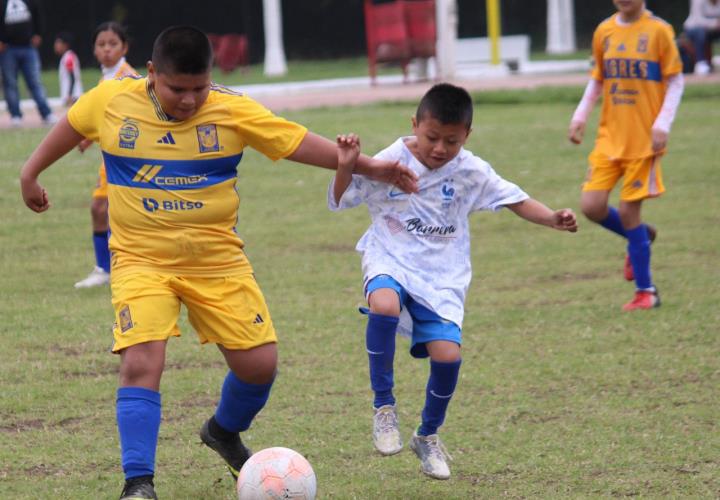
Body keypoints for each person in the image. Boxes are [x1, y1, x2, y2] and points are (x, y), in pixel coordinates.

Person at [20, 25, 417, 500]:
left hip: (217, 260)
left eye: (199, 88)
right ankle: (138, 484)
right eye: (177, 89)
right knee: (143, 360)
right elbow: (71, 125)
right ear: (151, 74)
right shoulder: (112, 99)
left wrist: (369, 165)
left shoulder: (231, 108)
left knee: (259, 365)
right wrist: (30, 172)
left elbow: (293, 142)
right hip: (140, 259)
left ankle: (223, 431)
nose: (189, 100)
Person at [328, 83, 578, 480]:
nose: (440, 149)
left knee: (448, 357)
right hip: (389, 255)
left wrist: (550, 217)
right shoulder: (392, 160)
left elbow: (513, 198)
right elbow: (341, 199)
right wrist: (346, 163)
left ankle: (427, 435)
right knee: (385, 304)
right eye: (432, 138)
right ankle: (384, 408)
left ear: (467, 136)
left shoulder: (471, 171)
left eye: (452, 141)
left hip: (442, 276)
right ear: (415, 124)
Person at [568, 0, 684, 311]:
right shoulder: (604, 31)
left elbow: (675, 80)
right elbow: (598, 79)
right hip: (610, 138)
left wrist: (662, 123)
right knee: (592, 206)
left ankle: (647, 291)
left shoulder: (659, 31)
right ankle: (641, 238)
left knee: (628, 211)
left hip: (644, 142)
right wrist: (581, 115)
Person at [74, 22, 137, 289]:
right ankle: (105, 268)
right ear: (94, 50)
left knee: (119, 212)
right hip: (109, 157)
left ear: (124, 47)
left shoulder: (128, 78)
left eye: (113, 44)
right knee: (100, 209)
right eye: (102, 45)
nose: (107, 49)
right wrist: (88, 137)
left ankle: (120, 267)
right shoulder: (106, 78)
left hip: (128, 158)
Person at [0, 0, 56, 126]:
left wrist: (38, 34)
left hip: (28, 47)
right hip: (8, 49)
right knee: (10, 84)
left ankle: (46, 113)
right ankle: (15, 115)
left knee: (35, 82)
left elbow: (38, 16)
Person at [683, 0, 720, 75]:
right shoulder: (698, 1)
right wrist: (715, 23)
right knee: (700, 32)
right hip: (693, 29)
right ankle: (701, 63)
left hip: (713, 31)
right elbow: (698, 20)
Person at [54, 31, 82, 107]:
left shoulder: (68, 57)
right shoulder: (67, 57)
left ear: (65, 45)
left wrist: (69, 94)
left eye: (58, 43)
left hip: (73, 96)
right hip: (72, 95)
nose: (55, 45)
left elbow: (72, 76)